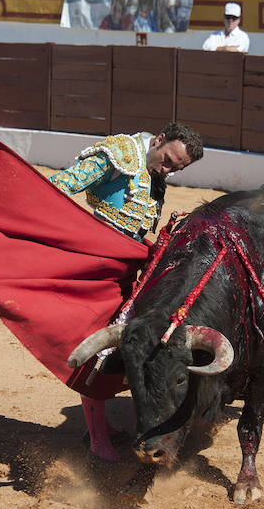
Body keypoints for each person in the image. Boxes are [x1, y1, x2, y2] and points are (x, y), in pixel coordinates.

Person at [48, 122, 204, 461]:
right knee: (97, 350)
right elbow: (56, 189)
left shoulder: (154, 173)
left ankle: (99, 426)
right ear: (159, 139)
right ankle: (97, 436)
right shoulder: (118, 155)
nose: (167, 170)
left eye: (176, 168)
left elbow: (132, 230)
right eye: (167, 160)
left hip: (123, 271)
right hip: (91, 270)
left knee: (127, 346)